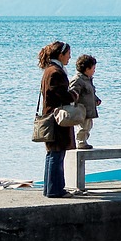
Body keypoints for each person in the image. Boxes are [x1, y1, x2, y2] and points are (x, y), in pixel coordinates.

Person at [37, 40, 76, 198]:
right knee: (57, 154)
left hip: (50, 116)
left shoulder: (49, 70)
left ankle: (50, 189)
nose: (69, 57)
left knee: (53, 154)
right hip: (56, 118)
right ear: (61, 55)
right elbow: (62, 95)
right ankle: (55, 190)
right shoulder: (55, 72)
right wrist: (74, 94)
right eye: (68, 54)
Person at [69, 54, 102, 149]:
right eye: (93, 68)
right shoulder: (78, 80)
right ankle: (81, 142)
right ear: (87, 69)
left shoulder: (88, 80)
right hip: (82, 109)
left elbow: (91, 92)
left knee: (88, 126)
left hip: (89, 109)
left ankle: (83, 141)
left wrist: (96, 99)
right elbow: (73, 93)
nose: (94, 71)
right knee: (83, 127)